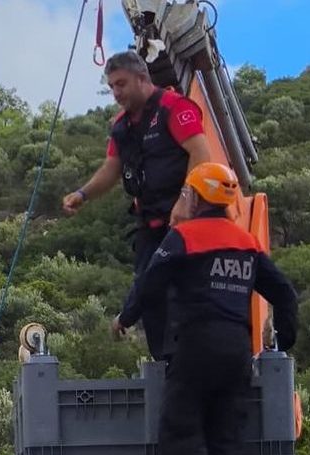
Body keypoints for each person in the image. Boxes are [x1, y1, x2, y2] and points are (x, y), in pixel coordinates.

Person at [114, 162, 299, 455]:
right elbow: (284, 293)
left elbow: (149, 284)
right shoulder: (247, 242)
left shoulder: (184, 237)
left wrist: (125, 318)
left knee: (176, 435)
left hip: (197, 346)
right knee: (224, 439)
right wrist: (284, 338)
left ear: (196, 198)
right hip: (237, 351)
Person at [62, 50, 211, 360]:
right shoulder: (121, 126)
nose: (116, 93)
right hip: (150, 222)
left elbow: (200, 153)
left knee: (182, 290)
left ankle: (192, 357)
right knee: (149, 290)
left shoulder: (174, 108)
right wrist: (83, 194)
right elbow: (111, 168)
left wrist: (186, 199)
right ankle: (164, 359)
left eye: (122, 84)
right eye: (112, 86)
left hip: (185, 221)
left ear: (143, 79)